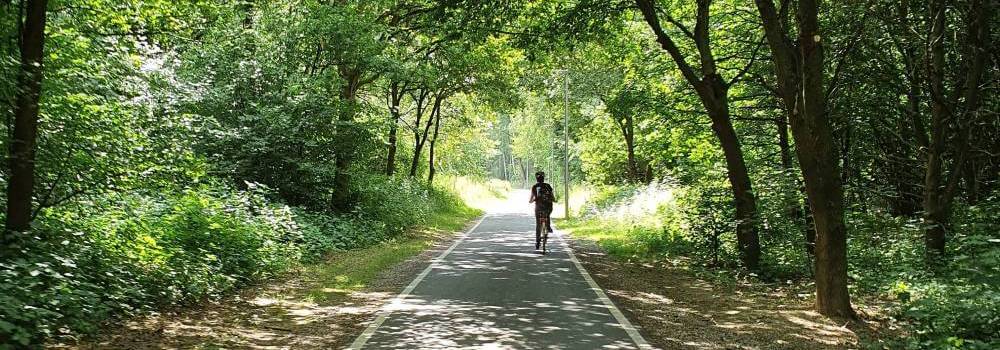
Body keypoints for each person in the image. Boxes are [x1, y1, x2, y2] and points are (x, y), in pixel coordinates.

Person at [529, 171, 556, 249]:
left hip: (538, 208)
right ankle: (548, 227)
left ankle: (537, 242)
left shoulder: (534, 187)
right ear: (543, 178)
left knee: (538, 224)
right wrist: (554, 200)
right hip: (548, 207)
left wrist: (531, 201)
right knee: (547, 215)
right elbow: (552, 197)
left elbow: (531, 199)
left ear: (536, 179)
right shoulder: (548, 186)